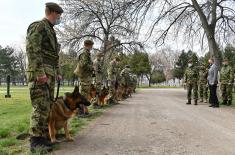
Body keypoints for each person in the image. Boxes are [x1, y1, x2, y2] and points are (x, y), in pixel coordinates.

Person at [26, 2, 63, 153]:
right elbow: (32, 50)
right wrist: (40, 73)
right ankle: (35, 140)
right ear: (53, 13)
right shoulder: (39, 26)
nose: (60, 18)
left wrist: (58, 71)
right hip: (40, 74)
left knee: (47, 106)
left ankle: (43, 136)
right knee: (40, 107)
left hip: (50, 73)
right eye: (59, 15)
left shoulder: (50, 30)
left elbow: (54, 56)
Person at [76, 40, 94, 115]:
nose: (92, 47)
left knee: (85, 93)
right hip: (84, 75)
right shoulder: (84, 53)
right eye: (91, 45)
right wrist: (92, 68)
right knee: (83, 93)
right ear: (88, 45)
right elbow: (83, 64)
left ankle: (83, 110)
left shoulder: (86, 53)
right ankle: (80, 111)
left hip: (86, 75)